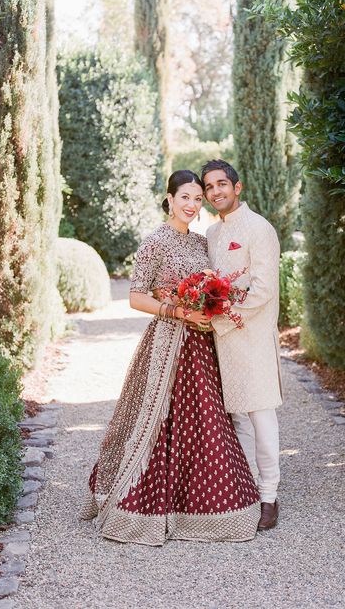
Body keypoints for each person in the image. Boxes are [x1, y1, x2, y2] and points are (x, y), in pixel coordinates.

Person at [80, 170, 260, 545]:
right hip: (167, 341)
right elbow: (135, 296)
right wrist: (178, 311)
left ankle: (202, 505)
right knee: (159, 420)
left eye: (198, 199)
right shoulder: (154, 243)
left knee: (206, 418)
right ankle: (147, 503)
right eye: (185, 198)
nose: (193, 205)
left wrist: (210, 305)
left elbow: (214, 287)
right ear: (169, 198)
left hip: (202, 342)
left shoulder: (200, 243)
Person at [202, 159, 283, 531]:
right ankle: (248, 487)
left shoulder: (259, 228)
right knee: (237, 417)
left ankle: (269, 496)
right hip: (222, 341)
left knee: (261, 414)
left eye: (222, 184)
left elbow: (264, 289)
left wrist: (222, 316)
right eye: (209, 187)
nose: (216, 191)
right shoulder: (213, 234)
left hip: (252, 335)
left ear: (238, 187)